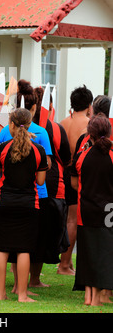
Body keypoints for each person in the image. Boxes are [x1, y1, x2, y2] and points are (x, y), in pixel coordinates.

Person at [0, 108, 48, 302]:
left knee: (2, 249)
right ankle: (22, 295)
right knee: (24, 249)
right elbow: (40, 182)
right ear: (30, 125)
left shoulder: (2, 148)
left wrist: (6, 187)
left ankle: (0, 294)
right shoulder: (38, 150)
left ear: (11, 125)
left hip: (5, 202)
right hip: (29, 204)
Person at [0, 80, 52, 287]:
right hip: (34, 196)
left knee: (6, 245)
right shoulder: (42, 134)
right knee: (27, 245)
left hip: (6, 197)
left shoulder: (4, 135)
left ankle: (9, 287)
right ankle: (30, 282)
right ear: (33, 110)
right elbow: (45, 168)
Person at [71, 113, 113, 306]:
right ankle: (99, 296)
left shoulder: (82, 156)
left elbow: (74, 183)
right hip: (109, 211)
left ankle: (89, 297)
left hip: (86, 210)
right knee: (105, 252)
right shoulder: (112, 155)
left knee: (87, 252)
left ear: (90, 134)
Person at [31, 88, 71, 283]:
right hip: (50, 183)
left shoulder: (16, 126)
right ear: (50, 106)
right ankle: (35, 278)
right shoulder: (54, 128)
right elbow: (65, 157)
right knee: (44, 230)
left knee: (28, 228)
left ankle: (19, 271)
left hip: (22, 183)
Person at [58, 85, 93, 276]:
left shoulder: (63, 122)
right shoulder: (89, 124)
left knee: (67, 219)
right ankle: (64, 263)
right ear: (89, 105)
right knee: (73, 220)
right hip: (76, 174)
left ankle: (67, 261)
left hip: (62, 173)